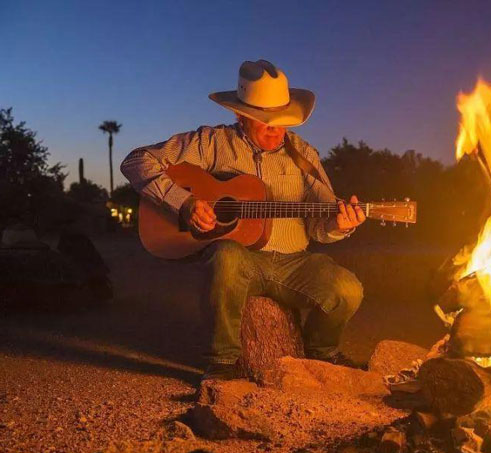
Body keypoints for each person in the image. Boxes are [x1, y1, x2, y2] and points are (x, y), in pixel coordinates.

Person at [121, 60, 365, 380]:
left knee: (348, 288)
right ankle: (222, 362)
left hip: (294, 262)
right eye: (264, 120)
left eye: (281, 120)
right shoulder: (211, 142)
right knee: (225, 255)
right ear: (240, 114)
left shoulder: (304, 155)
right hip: (240, 260)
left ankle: (322, 352)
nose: (274, 129)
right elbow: (137, 161)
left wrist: (339, 225)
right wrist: (185, 203)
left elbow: (320, 225)